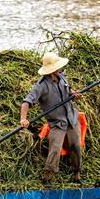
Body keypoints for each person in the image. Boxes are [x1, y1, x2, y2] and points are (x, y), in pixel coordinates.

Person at [20, 52, 84, 183]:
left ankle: (77, 174)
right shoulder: (41, 86)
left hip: (71, 118)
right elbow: (26, 102)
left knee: (75, 146)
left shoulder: (62, 78)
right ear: (51, 70)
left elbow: (68, 90)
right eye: (57, 67)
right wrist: (23, 118)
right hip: (57, 122)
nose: (59, 69)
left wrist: (74, 94)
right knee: (55, 148)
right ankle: (47, 176)